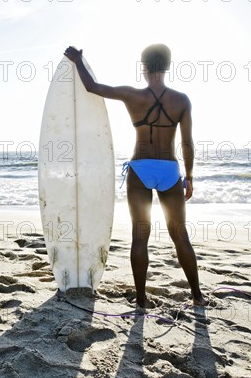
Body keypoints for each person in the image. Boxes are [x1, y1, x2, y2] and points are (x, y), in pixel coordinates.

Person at [64, 44, 208, 308]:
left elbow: (93, 87)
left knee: (140, 236)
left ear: (143, 66)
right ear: (167, 66)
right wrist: (189, 176)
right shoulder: (181, 100)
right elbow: (187, 143)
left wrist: (77, 61)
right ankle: (197, 296)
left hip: (140, 168)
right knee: (180, 236)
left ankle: (141, 300)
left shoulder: (132, 95)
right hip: (169, 169)